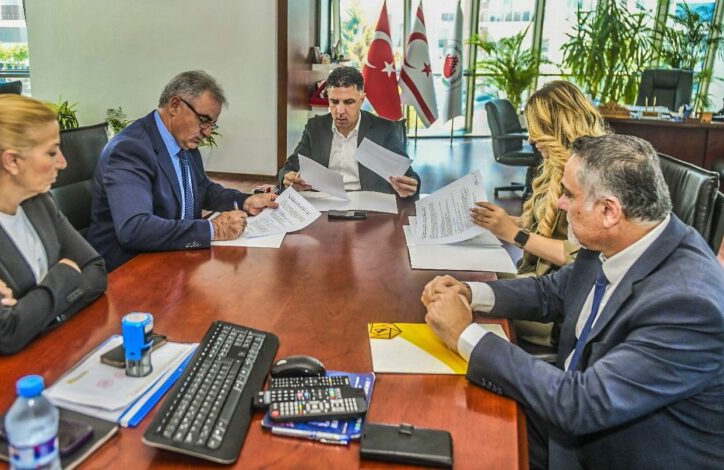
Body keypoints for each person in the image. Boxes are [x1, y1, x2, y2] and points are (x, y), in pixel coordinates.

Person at [423, 134, 724, 470]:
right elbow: (551, 292)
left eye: (569, 194)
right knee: (441, 424)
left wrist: (464, 334)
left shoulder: (687, 306)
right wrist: (469, 292)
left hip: (607, 451)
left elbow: (581, 403)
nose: (560, 204)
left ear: (609, 210)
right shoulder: (618, 240)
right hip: (571, 419)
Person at [0, 95, 108, 389]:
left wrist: (29, 307)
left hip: (40, 356)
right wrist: (65, 273)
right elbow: (7, 332)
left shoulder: (37, 201)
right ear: (12, 161)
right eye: (52, 152)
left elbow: (96, 270)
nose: (63, 162)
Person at [88, 70, 279, 271]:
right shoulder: (130, 149)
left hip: (174, 258)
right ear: (175, 105)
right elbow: (135, 228)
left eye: (212, 124)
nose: (207, 132)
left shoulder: (184, 142)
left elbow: (203, 188)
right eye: (203, 120)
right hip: (129, 270)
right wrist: (213, 229)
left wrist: (244, 201)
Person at [471, 81, 607, 347]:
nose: (531, 140)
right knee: (473, 278)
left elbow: (581, 257)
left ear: (557, 127)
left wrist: (515, 234)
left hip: (560, 305)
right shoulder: (557, 165)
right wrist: (503, 222)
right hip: (540, 280)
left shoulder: (596, 175)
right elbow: (547, 225)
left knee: (471, 306)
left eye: (537, 130)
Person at [278, 66, 420, 198]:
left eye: (348, 102)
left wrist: (411, 186)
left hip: (367, 205)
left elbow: (409, 177)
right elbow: (289, 168)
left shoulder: (384, 129)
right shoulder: (315, 127)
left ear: (361, 100)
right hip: (324, 203)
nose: (340, 111)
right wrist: (287, 177)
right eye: (334, 102)